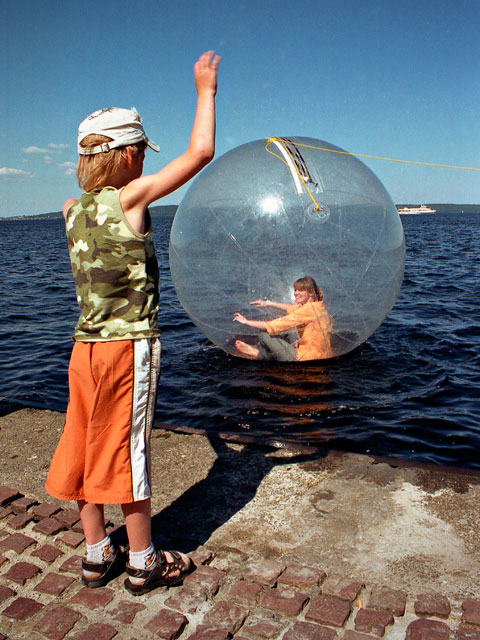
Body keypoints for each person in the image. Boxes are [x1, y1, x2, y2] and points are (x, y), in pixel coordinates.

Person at [45, 51, 221, 596]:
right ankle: (144, 561)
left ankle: (97, 553)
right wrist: (206, 91)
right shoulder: (131, 199)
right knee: (128, 447)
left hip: (84, 349)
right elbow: (201, 152)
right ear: (126, 155)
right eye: (142, 151)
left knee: (84, 441)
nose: (144, 161)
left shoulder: (71, 208)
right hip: (129, 349)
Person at [232, 276, 333, 361]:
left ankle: (259, 353)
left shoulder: (307, 311)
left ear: (311, 293)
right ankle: (265, 350)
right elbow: (292, 309)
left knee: (264, 334)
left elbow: (271, 326)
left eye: (301, 290)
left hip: (305, 358)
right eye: (295, 290)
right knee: (291, 328)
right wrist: (269, 303)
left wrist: (246, 321)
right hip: (322, 354)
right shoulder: (317, 306)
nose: (296, 293)